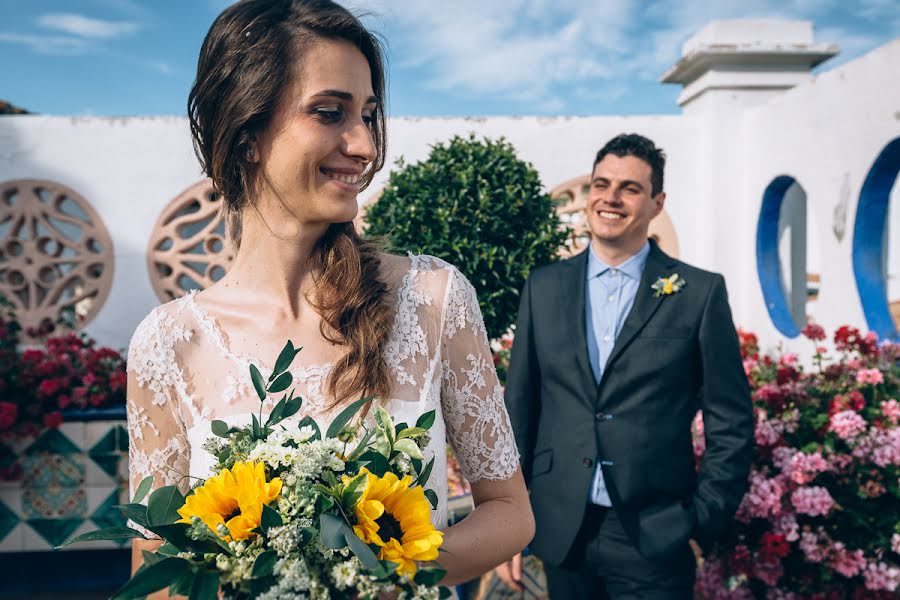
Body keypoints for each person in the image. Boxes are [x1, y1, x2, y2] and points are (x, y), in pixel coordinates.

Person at [126, 0, 533, 593]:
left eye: (368, 115)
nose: (365, 145)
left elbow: (510, 512)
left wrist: (373, 579)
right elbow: (157, 567)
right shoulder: (169, 345)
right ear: (247, 135)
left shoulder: (433, 300)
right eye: (330, 112)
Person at [497, 134, 753, 598]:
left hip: (656, 534)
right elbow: (521, 406)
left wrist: (702, 519)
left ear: (657, 203)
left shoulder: (699, 293)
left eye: (629, 188)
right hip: (561, 530)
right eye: (601, 184)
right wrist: (509, 517)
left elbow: (730, 419)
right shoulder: (543, 287)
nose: (610, 198)